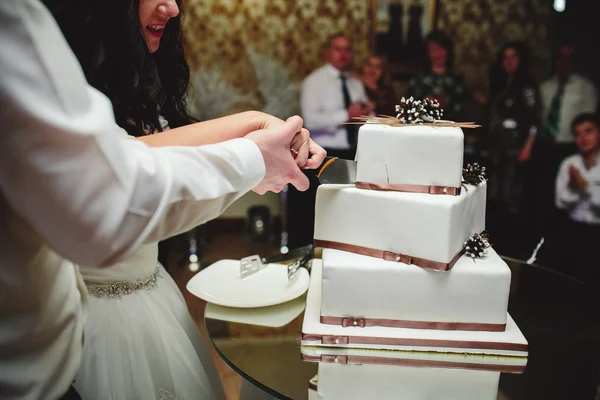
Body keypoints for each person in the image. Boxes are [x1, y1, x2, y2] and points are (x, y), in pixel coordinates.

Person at [0, 1, 323, 399]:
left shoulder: (138, 79)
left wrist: (256, 151)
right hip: (92, 328)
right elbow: (119, 185)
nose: (171, 8)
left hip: (153, 294)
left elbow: (157, 160)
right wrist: (253, 137)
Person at [533, 43, 598, 230]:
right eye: (561, 57)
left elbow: (589, 121)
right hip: (545, 146)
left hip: (570, 146)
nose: (565, 62)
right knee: (544, 193)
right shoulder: (545, 87)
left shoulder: (586, 88)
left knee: (569, 196)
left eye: (570, 57)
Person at [487, 41, 541, 214]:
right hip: (498, 144)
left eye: (513, 57)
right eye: (505, 58)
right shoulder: (499, 86)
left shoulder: (527, 88)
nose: (509, 62)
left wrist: (528, 146)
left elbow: (535, 119)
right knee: (496, 189)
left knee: (514, 191)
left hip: (517, 144)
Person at [301, 32, 372, 159]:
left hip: (356, 152)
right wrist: (347, 115)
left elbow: (366, 116)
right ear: (327, 53)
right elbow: (310, 121)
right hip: (325, 152)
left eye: (347, 49)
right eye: (338, 49)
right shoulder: (314, 81)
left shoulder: (356, 83)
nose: (343, 54)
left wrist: (369, 113)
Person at [553, 113, 600, 283]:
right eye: (578, 134)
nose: (583, 138)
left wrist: (585, 187)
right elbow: (560, 201)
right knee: (569, 280)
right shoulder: (570, 163)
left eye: (588, 131)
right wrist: (575, 188)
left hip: (597, 234)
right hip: (573, 231)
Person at [406, 30, 466, 121]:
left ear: (448, 51)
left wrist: (445, 104)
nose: (437, 54)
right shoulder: (418, 80)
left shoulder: (457, 80)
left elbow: (461, 108)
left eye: (440, 49)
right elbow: (409, 108)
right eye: (433, 49)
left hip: (451, 127)